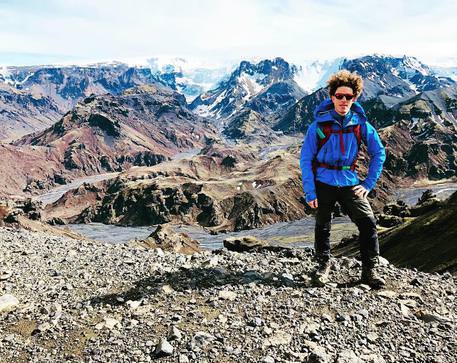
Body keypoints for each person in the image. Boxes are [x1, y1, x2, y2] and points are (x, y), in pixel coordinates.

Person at [300, 70, 386, 288]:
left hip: (349, 181)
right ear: (332, 97)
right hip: (323, 182)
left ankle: (370, 270)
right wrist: (310, 192)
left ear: (354, 98)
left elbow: (379, 153)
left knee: (368, 223)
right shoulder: (318, 126)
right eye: (339, 96)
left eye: (348, 97)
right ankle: (322, 266)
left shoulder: (361, 125)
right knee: (323, 226)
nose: (343, 100)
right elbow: (306, 159)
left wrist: (368, 184)